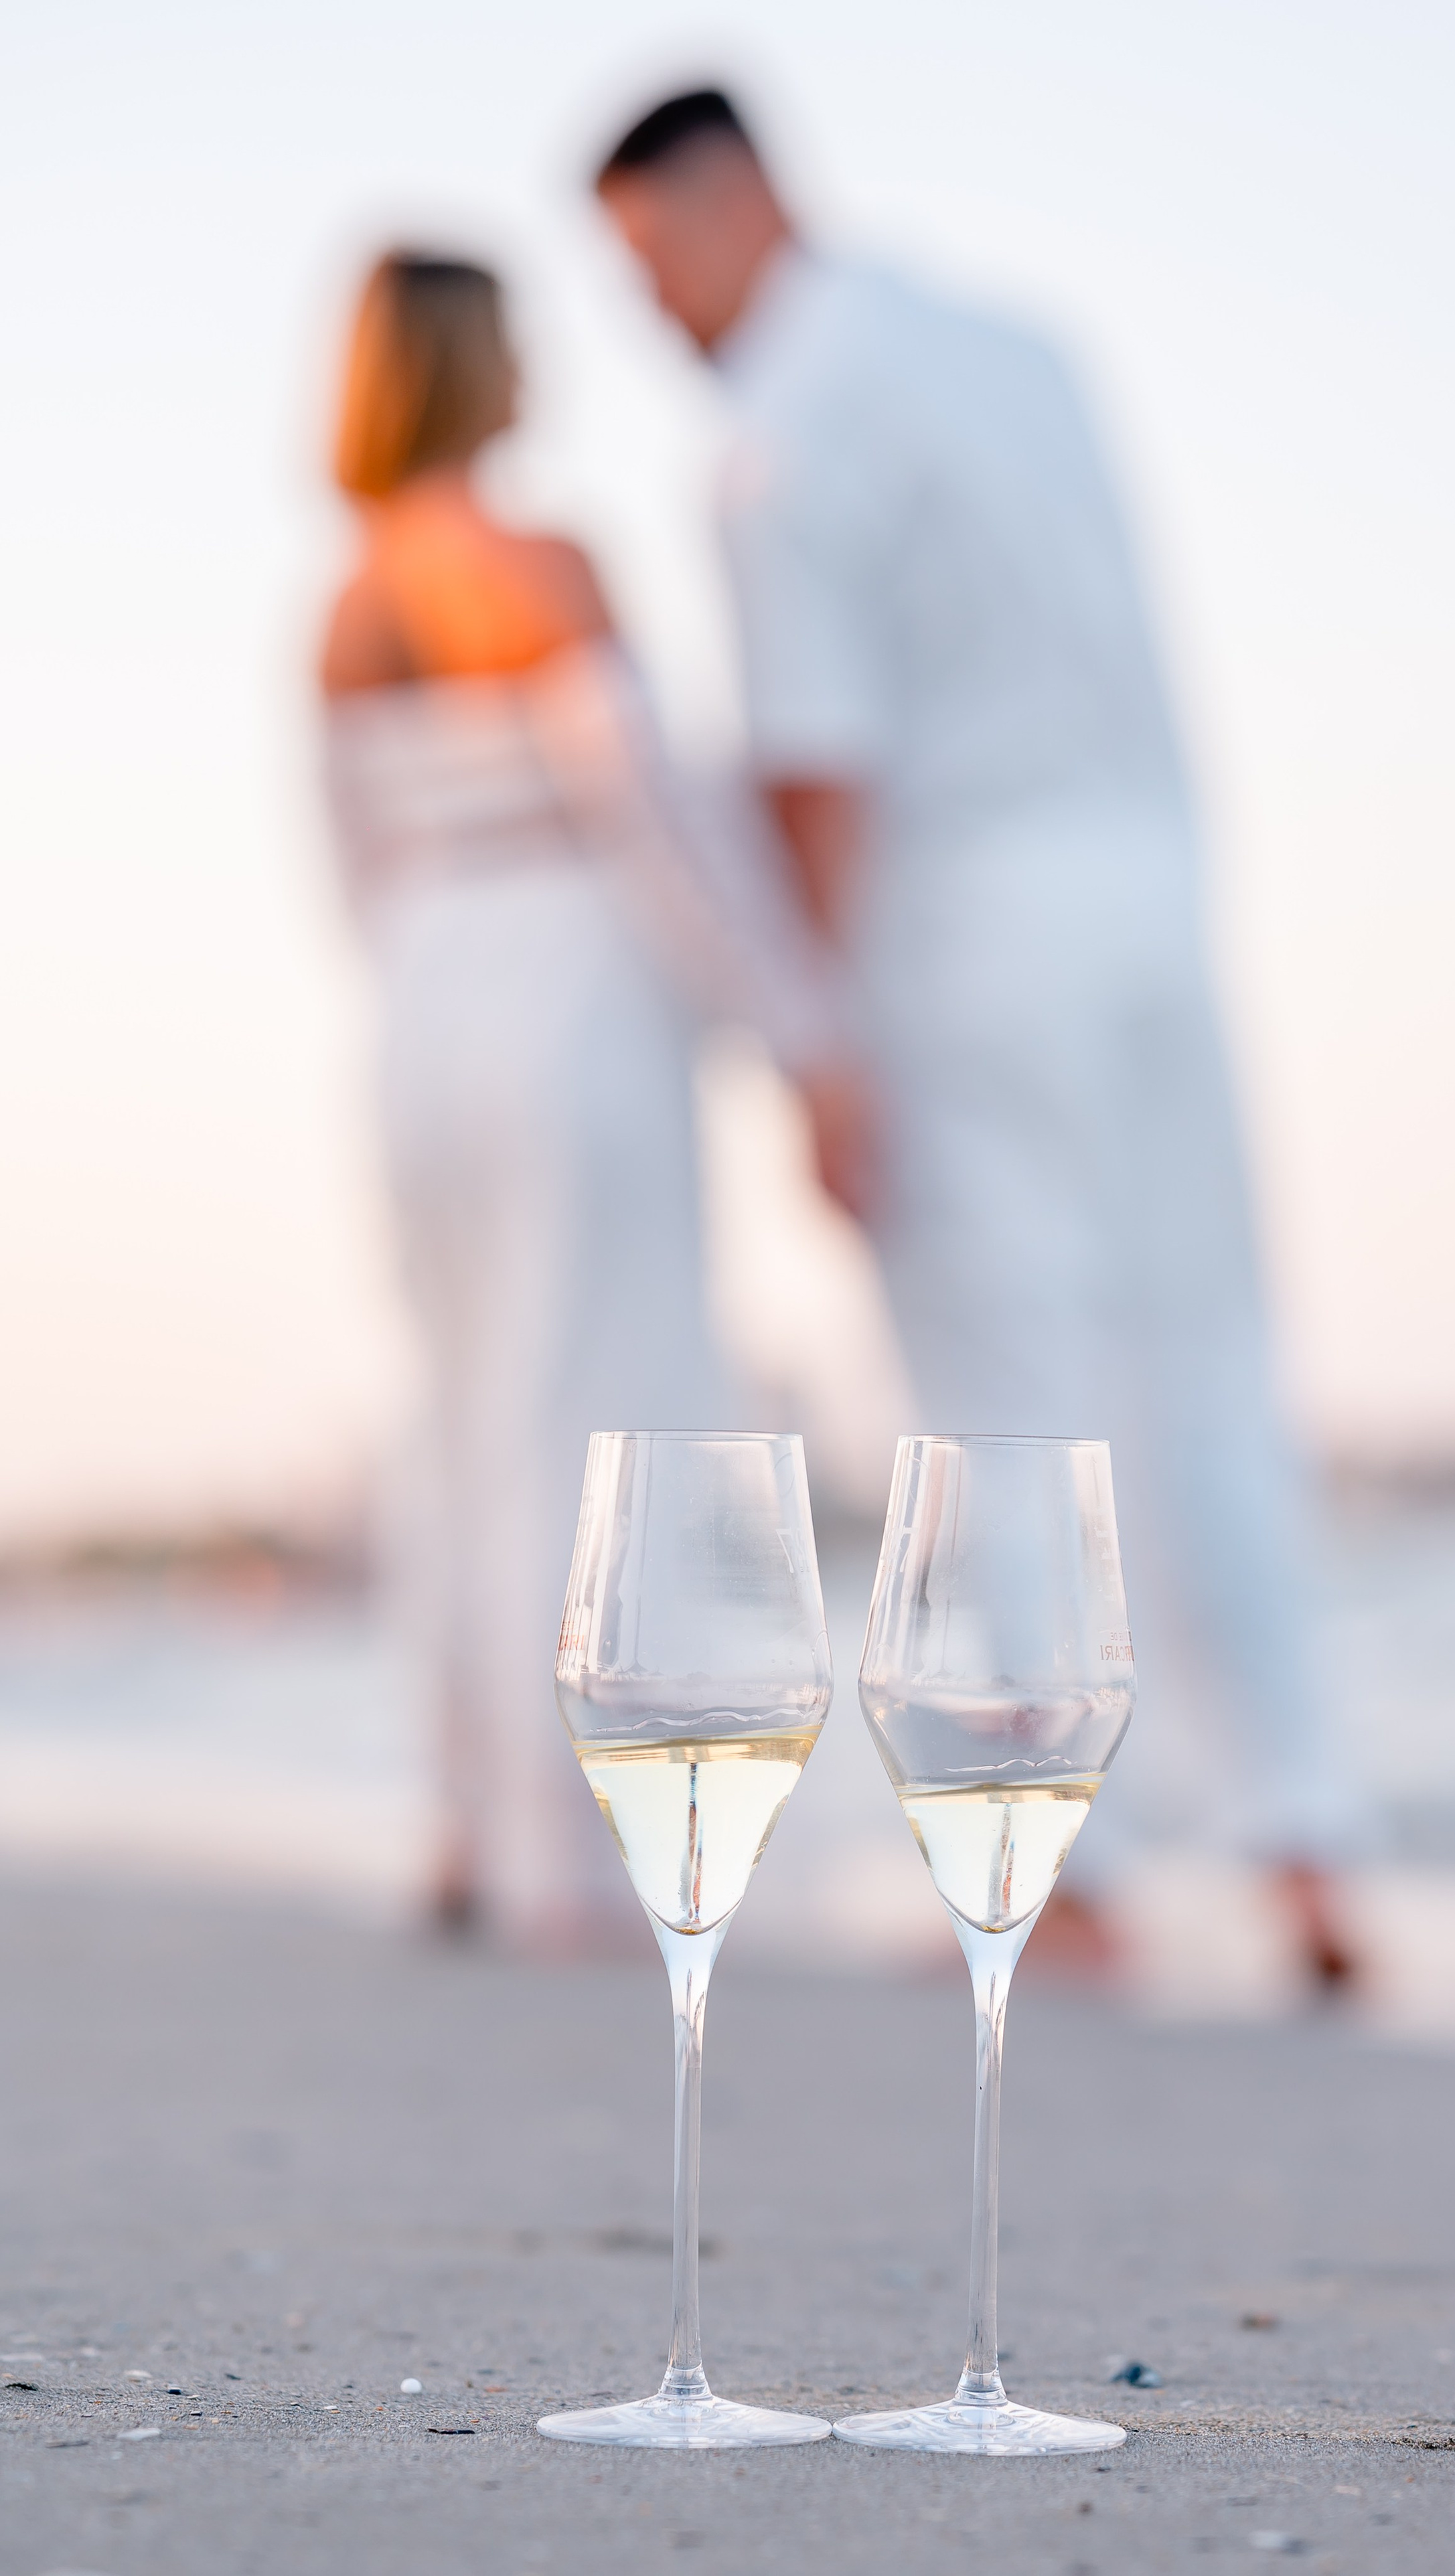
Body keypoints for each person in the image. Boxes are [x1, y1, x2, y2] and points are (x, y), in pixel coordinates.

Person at [591, 91, 1368, 1989]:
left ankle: (1049, 1875)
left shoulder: (777, 434)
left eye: (648, 260)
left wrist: (821, 1044)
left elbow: (818, 769)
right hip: (1153, 897)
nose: (654, 317)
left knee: (999, 1411)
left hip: (963, 926)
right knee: (1209, 1369)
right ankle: (1306, 1847)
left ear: (734, 198)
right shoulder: (1022, 352)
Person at [319, 249, 830, 1952]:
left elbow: (346, 861)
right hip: (566, 988)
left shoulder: (338, 608)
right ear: (477, 365)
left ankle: (461, 1810)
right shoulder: (541, 563)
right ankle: (569, 1844)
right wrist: (795, 1029)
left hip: (417, 1006)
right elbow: (654, 821)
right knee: (592, 1401)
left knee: (456, 1407)